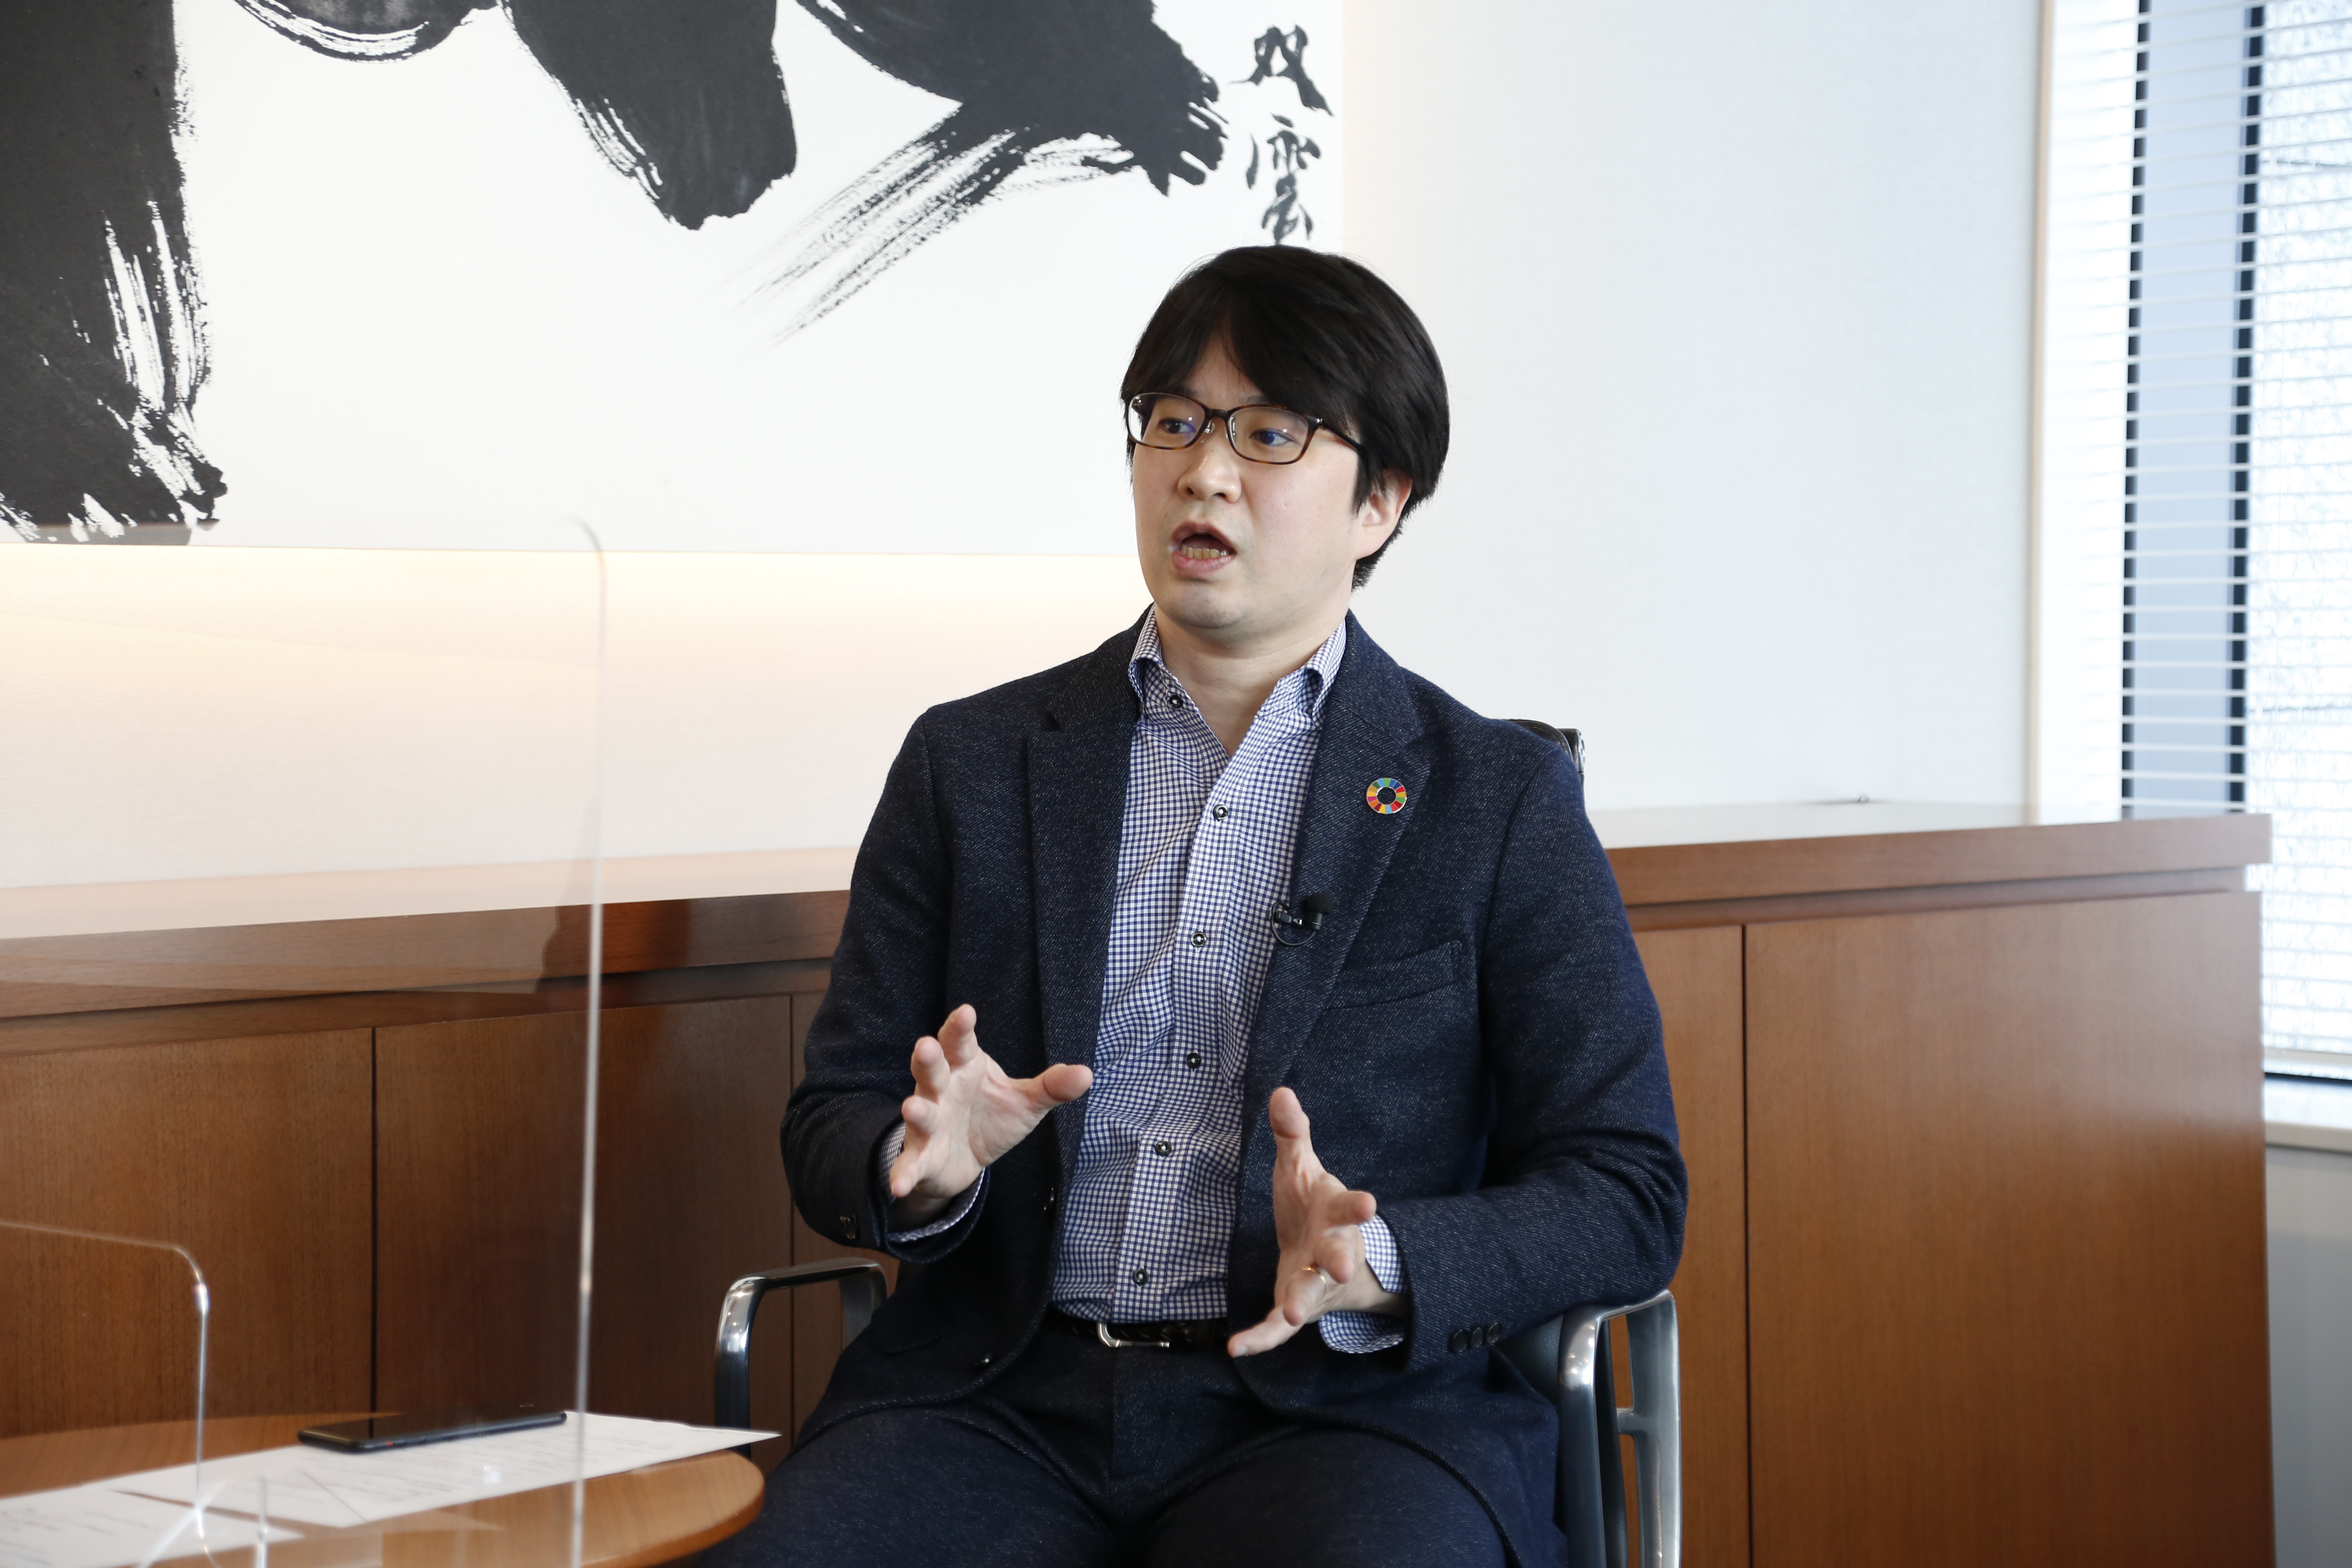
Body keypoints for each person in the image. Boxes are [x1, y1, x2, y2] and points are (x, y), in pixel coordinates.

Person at [717, 246, 1685, 1567]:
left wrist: (1384, 1257)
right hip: (995, 1403)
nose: (1204, 471)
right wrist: (918, 1168)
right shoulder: (971, 762)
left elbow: (1627, 1188)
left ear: (1381, 500)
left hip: (1344, 1422)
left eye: (1269, 434)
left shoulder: (1495, 800)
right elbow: (832, 1115)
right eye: (1173, 422)